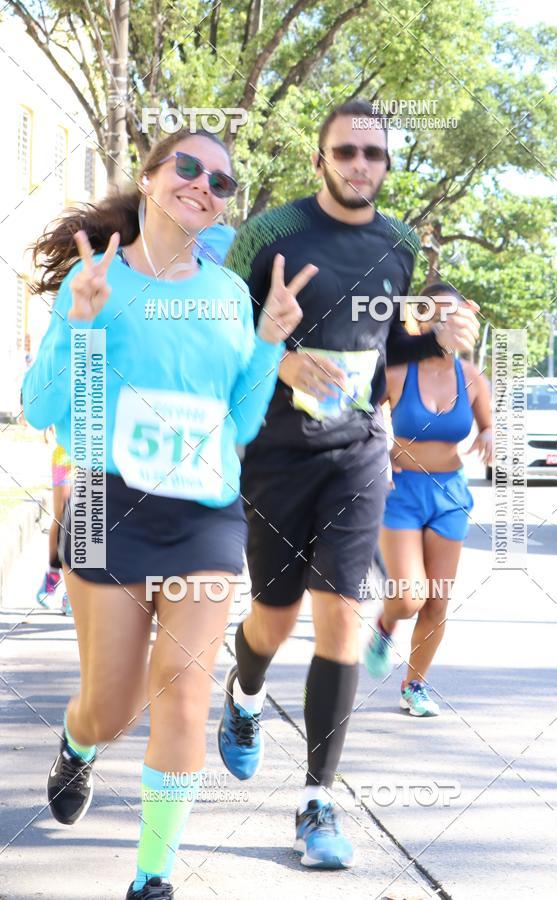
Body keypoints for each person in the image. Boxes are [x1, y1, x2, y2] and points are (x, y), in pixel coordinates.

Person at [21, 128, 311, 899]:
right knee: (111, 707)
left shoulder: (228, 297)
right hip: (109, 503)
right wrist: (79, 320)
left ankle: (155, 877)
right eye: (188, 168)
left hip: (206, 513)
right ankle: (80, 745)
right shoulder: (97, 280)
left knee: (183, 690)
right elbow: (44, 406)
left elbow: (240, 423)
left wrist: (269, 346)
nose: (204, 185)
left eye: (221, 181)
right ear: (150, 180)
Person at [217, 100, 479, 869]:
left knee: (342, 618)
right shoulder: (269, 233)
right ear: (320, 160)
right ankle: (244, 690)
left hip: (361, 448)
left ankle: (316, 801)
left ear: (387, 164)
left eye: (374, 153)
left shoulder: (398, 241)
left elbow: (384, 335)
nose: (361, 164)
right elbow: (221, 319)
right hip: (276, 449)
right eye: (346, 152)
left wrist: (433, 335)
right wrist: (284, 355)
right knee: (272, 613)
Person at [364, 282, 492, 716]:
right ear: (417, 320)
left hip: (450, 494)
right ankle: (385, 623)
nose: (443, 321)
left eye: (451, 314)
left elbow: (488, 423)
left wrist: (490, 434)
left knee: (436, 600)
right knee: (407, 596)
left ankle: (414, 686)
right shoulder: (397, 371)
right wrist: (377, 452)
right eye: (432, 313)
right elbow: (359, 414)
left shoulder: (472, 377)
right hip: (401, 493)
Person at [36, 433, 73, 615]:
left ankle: (73, 593)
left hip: (97, 458)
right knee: (62, 518)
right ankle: (52, 577)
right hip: (65, 457)